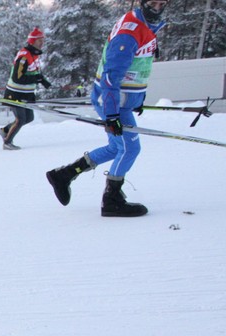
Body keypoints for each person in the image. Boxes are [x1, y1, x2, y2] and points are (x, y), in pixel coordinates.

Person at [46, 0, 169, 217]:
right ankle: (111, 200)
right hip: (113, 101)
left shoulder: (145, 24)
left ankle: (64, 175)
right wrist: (112, 115)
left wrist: (137, 98)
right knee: (130, 149)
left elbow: (139, 66)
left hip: (121, 101)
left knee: (116, 147)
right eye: (153, 2)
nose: (157, 8)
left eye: (162, 3)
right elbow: (111, 77)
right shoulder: (129, 32)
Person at [0, 28, 52, 150]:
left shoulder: (34, 55)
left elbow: (34, 72)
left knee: (29, 118)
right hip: (15, 92)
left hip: (26, 93)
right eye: (39, 40)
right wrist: (36, 80)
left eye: (42, 40)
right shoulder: (24, 56)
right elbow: (18, 77)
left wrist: (43, 80)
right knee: (20, 119)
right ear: (32, 42)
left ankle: (5, 130)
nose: (42, 43)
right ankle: (7, 142)